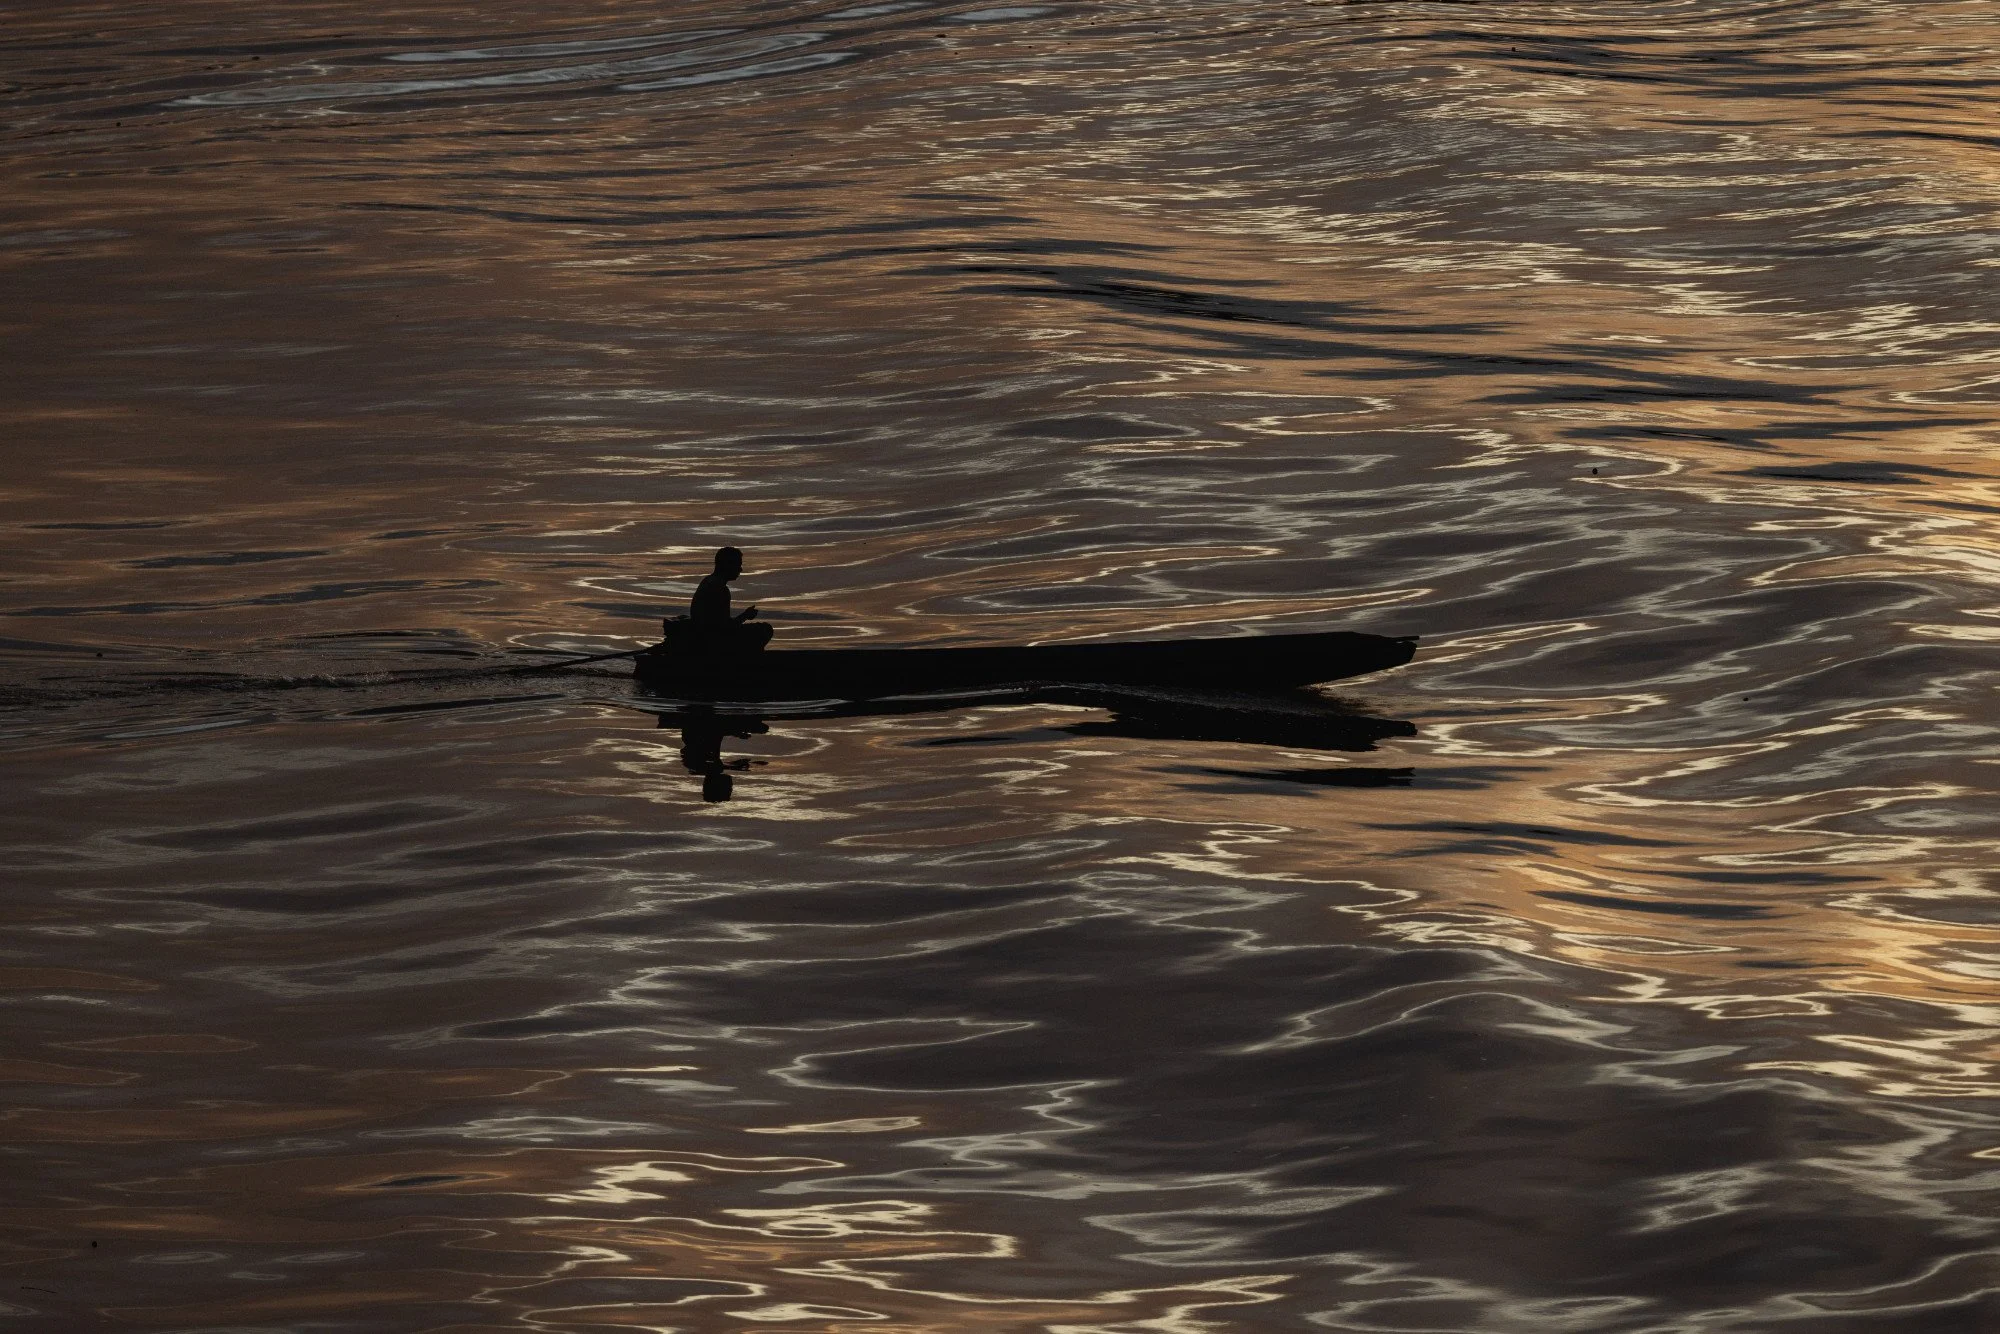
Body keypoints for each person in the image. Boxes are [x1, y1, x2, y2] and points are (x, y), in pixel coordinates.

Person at [686, 546, 773, 652]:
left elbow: (720, 622)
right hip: (712, 640)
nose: (740, 569)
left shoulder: (707, 581)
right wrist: (745, 616)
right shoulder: (720, 589)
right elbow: (725, 628)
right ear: (728, 565)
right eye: (738, 565)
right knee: (764, 629)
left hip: (704, 635)